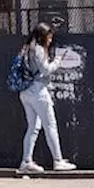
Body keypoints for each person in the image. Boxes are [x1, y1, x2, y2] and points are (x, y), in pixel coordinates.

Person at [16, 22, 77, 174]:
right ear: (43, 36)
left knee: (33, 127)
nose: (50, 41)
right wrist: (57, 61)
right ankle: (58, 160)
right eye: (49, 38)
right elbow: (45, 69)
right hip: (38, 91)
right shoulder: (38, 49)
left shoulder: (27, 48)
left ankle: (26, 161)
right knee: (50, 125)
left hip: (25, 91)